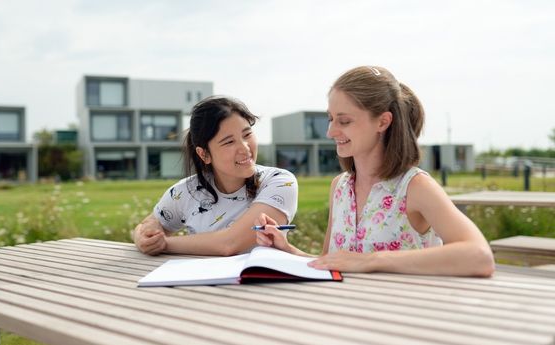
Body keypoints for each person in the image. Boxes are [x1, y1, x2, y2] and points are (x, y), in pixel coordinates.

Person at [256, 66, 495, 277]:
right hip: (349, 316)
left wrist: (373, 261)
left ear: (382, 122)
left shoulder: (415, 187)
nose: (330, 131)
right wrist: (287, 249)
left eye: (344, 121)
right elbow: (333, 263)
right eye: (330, 119)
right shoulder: (339, 187)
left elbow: (480, 256)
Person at [133, 96, 298, 256]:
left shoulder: (280, 182)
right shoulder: (185, 192)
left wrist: (165, 244)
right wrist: (142, 237)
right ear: (204, 154)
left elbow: (230, 243)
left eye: (247, 135)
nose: (245, 148)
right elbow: (150, 224)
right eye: (229, 142)